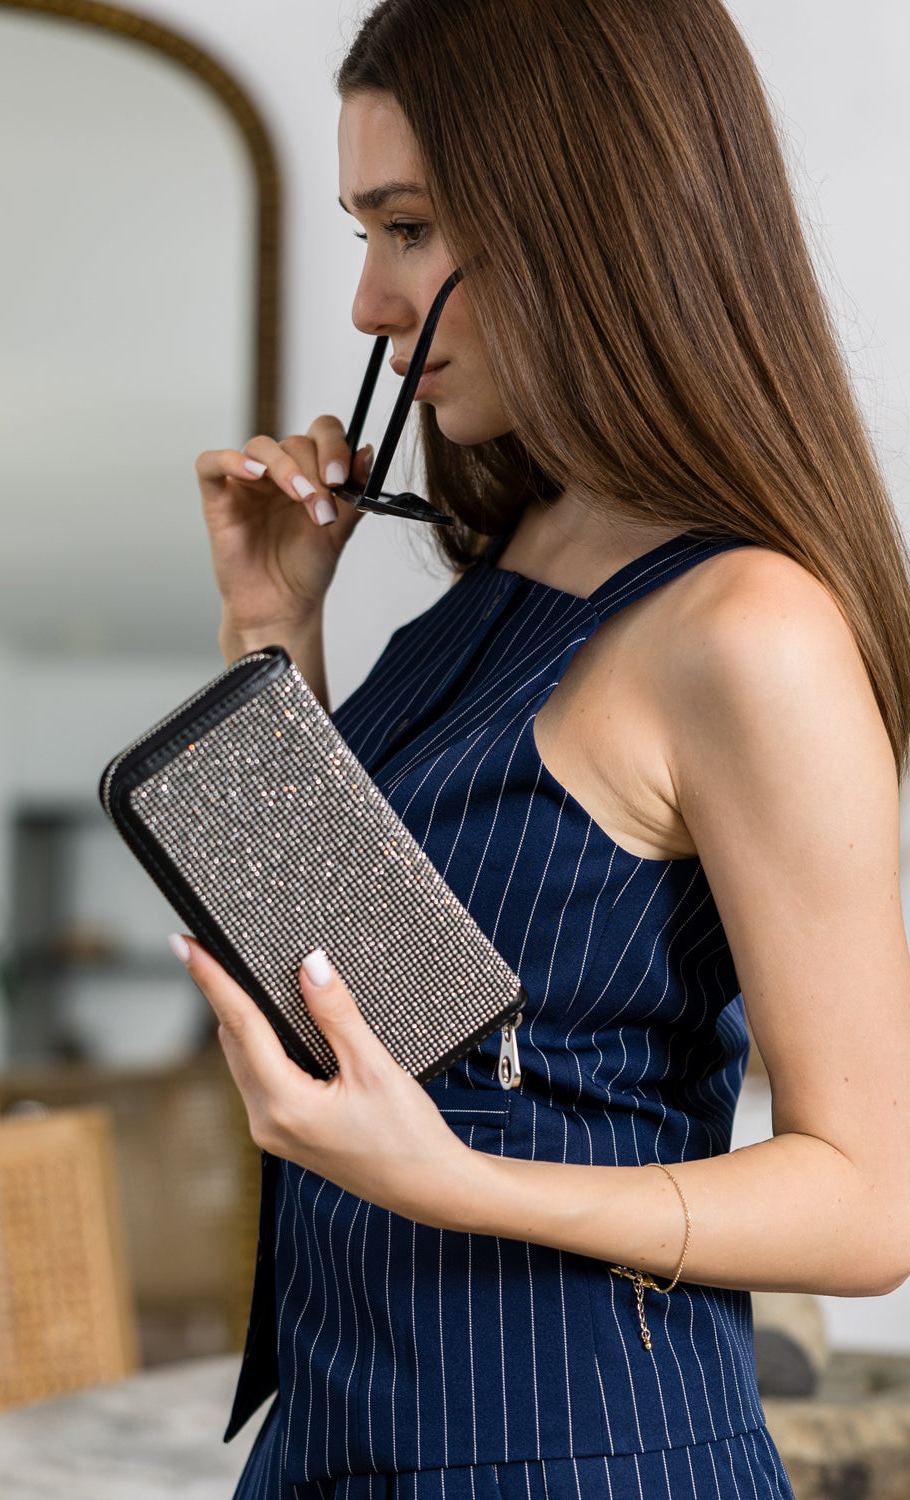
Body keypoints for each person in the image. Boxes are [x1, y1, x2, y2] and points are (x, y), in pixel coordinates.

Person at [174, 1, 910, 1495]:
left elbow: (866, 1205)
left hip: (572, 1454)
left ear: (591, 216)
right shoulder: (511, 567)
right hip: (336, 1434)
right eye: (364, 230)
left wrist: (463, 1184)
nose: (372, 305)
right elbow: (346, 986)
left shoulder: (746, 629)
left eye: (409, 227)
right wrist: (270, 631)